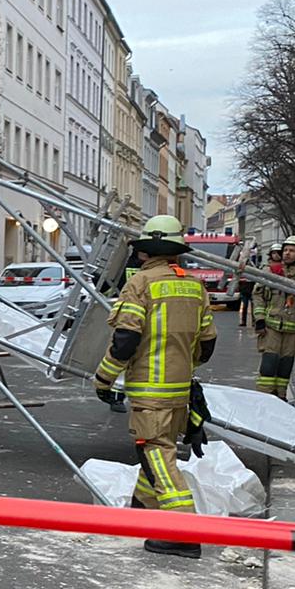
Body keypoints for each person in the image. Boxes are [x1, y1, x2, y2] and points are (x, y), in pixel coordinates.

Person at [93, 214, 216, 558]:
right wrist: (180, 365)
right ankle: (141, 511)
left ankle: (183, 532)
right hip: (180, 390)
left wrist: (103, 379)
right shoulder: (194, 286)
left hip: (149, 389)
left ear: (146, 252)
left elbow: (125, 340)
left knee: (156, 453)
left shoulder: (141, 284)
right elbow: (207, 345)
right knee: (154, 448)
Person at [252, 235, 295, 400]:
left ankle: (281, 397)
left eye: (292, 250)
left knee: (286, 366)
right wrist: (259, 319)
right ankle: (264, 397)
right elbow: (258, 296)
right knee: (269, 363)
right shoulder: (273, 271)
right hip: (271, 326)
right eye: (285, 250)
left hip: (293, 329)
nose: (287, 253)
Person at [235, 239, 257, 327]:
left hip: (251, 288)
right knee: (245, 306)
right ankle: (244, 321)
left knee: (253, 306)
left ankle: (254, 321)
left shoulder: (253, 265)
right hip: (245, 289)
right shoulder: (242, 266)